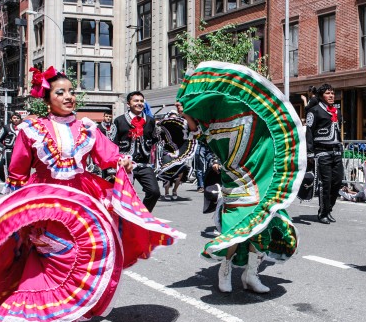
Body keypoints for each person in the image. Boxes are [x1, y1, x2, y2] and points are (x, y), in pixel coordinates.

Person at [0, 66, 183, 322]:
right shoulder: (32, 130)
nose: (69, 97)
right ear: (48, 99)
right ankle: (40, 317)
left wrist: (120, 160)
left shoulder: (87, 127)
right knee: (49, 256)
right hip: (45, 200)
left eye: (71, 91)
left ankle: (65, 317)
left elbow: (106, 155)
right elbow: (18, 169)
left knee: (78, 257)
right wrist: (14, 207)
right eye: (61, 92)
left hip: (82, 201)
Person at [176, 61, 306, 294]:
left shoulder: (255, 110)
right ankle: (224, 270)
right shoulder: (208, 121)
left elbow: (275, 130)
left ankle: (250, 274)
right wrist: (185, 111)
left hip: (259, 177)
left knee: (263, 226)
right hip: (234, 180)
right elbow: (195, 131)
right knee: (235, 229)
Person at [111, 91, 162, 211]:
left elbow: (155, 139)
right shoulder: (119, 120)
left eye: (141, 101)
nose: (139, 103)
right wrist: (112, 168)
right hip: (125, 164)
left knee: (154, 192)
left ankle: (143, 214)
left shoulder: (150, 121)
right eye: (136, 101)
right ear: (128, 104)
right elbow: (111, 143)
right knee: (124, 196)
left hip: (144, 164)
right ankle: (124, 220)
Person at [306, 84, 344, 224]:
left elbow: (339, 131)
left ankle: (329, 209)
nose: (331, 95)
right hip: (321, 152)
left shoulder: (336, 111)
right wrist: (310, 154)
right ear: (322, 95)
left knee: (338, 181)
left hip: (336, 151)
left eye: (333, 93)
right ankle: (323, 213)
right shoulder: (314, 111)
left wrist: (341, 145)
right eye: (328, 93)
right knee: (325, 184)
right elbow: (309, 132)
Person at [0, 112, 22, 183]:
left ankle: (18, 183)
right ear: (11, 119)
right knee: (9, 167)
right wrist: (3, 148)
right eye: (14, 118)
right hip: (9, 151)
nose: (16, 120)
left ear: (20, 119)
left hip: (20, 151)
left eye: (18, 118)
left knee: (20, 167)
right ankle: (8, 184)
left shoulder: (23, 128)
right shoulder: (6, 127)